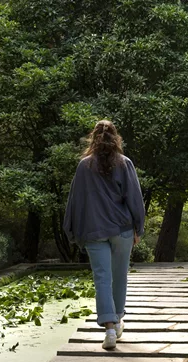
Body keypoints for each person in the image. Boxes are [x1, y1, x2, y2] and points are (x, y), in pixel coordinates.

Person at [63, 120, 145, 350]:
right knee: (120, 276)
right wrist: (139, 228)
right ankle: (118, 319)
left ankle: (109, 328)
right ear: (116, 138)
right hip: (122, 229)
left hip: (94, 230)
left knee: (102, 279)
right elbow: (134, 198)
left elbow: (75, 201)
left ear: (93, 138)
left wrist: (71, 231)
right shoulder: (125, 163)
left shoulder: (84, 166)